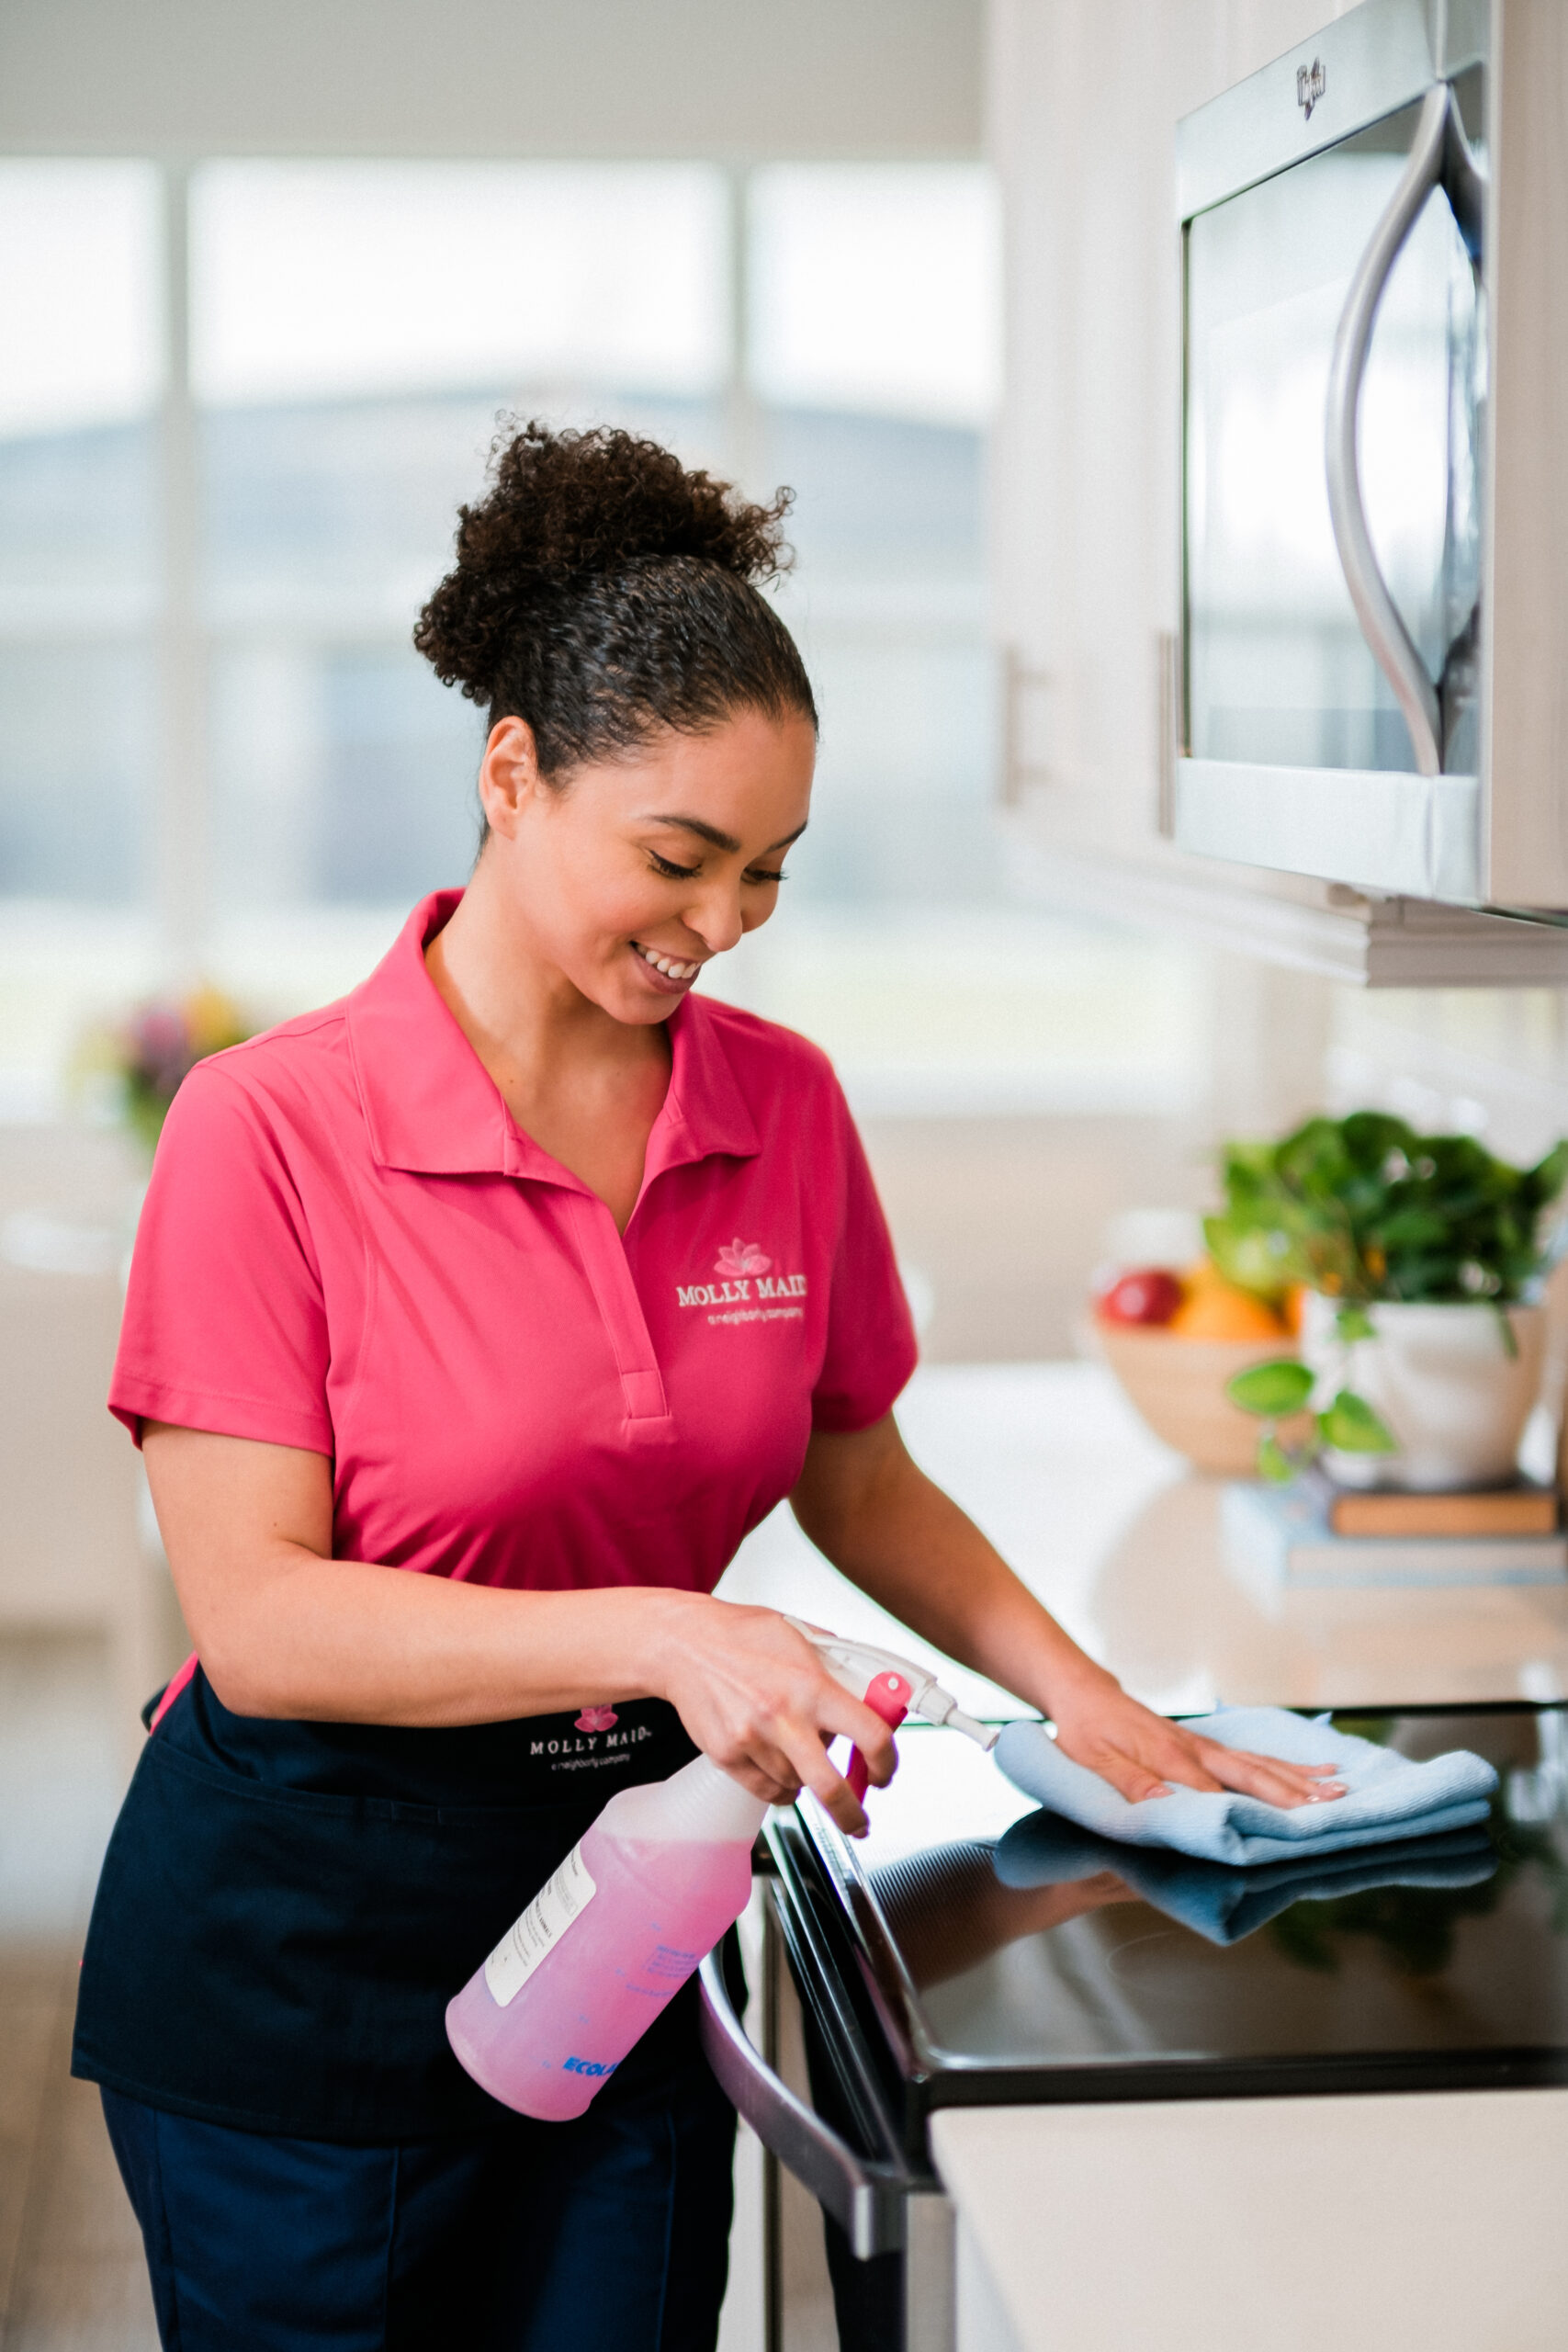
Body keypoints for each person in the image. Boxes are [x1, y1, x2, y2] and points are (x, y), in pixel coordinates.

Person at [74, 423, 1338, 2351]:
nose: (724, 920)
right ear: (511, 773)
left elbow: (861, 1472)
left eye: (767, 869)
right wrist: (679, 1634)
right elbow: (258, 1620)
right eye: (676, 856)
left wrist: (1087, 1698)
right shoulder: (271, 1128)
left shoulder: (784, 1105)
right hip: (304, 1958)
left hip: (631, 1916)